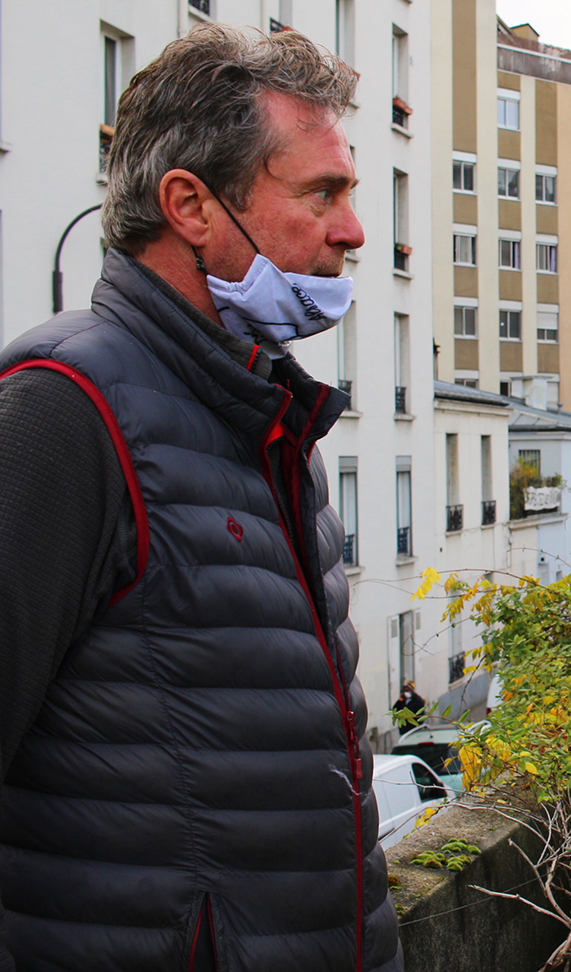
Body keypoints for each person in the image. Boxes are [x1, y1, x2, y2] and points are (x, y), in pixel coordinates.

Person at [0, 25, 400, 971]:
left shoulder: (266, 417)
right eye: (323, 193)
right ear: (190, 204)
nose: (352, 230)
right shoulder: (63, 412)